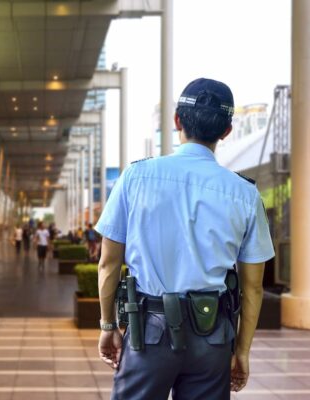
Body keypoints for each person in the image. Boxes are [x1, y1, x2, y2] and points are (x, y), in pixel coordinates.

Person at [95, 78, 274, 400]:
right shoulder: (245, 193)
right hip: (213, 335)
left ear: (177, 121)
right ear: (227, 131)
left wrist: (108, 326)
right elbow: (253, 287)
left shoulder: (135, 177)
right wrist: (241, 351)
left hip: (147, 331)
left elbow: (108, 264)